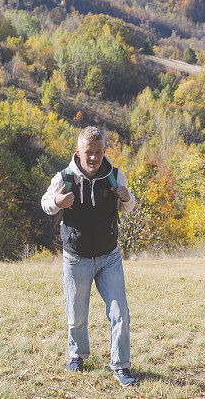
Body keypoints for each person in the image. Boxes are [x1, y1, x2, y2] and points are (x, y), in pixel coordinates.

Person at [41, 126, 137, 387]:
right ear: (78, 152)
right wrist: (58, 203)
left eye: (98, 152)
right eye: (88, 152)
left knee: (121, 313)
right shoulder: (64, 177)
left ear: (103, 151)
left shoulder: (115, 176)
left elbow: (128, 206)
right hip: (76, 258)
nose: (93, 157)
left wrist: (127, 198)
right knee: (77, 315)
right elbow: (46, 203)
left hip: (109, 257)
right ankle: (77, 355)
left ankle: (121, 366)